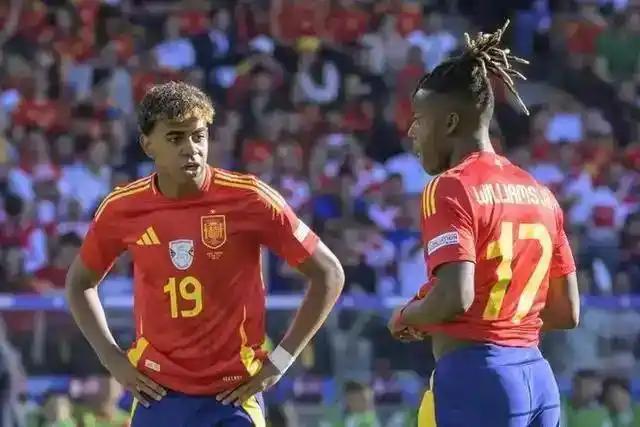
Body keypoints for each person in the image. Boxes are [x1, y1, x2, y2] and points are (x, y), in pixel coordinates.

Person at [65, 81, 345, 426]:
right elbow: (79, 283)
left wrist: (281, 361)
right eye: (175, 138)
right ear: (147, 144)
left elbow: (329, 273)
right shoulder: (122, 208)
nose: (191, 149)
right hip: (157, 394)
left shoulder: (251, 198)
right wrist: (112, 358)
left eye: (199, 136)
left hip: (233, 396)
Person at [387, 22, 580, 427]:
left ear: (450, 123)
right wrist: (504, 323)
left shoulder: (449, 187)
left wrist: (408, 316)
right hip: (538, 379)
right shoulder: (540, 192)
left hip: (478, 379)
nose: (412, 131)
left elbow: (454, 298)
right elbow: (567, 311)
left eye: (419, 119)